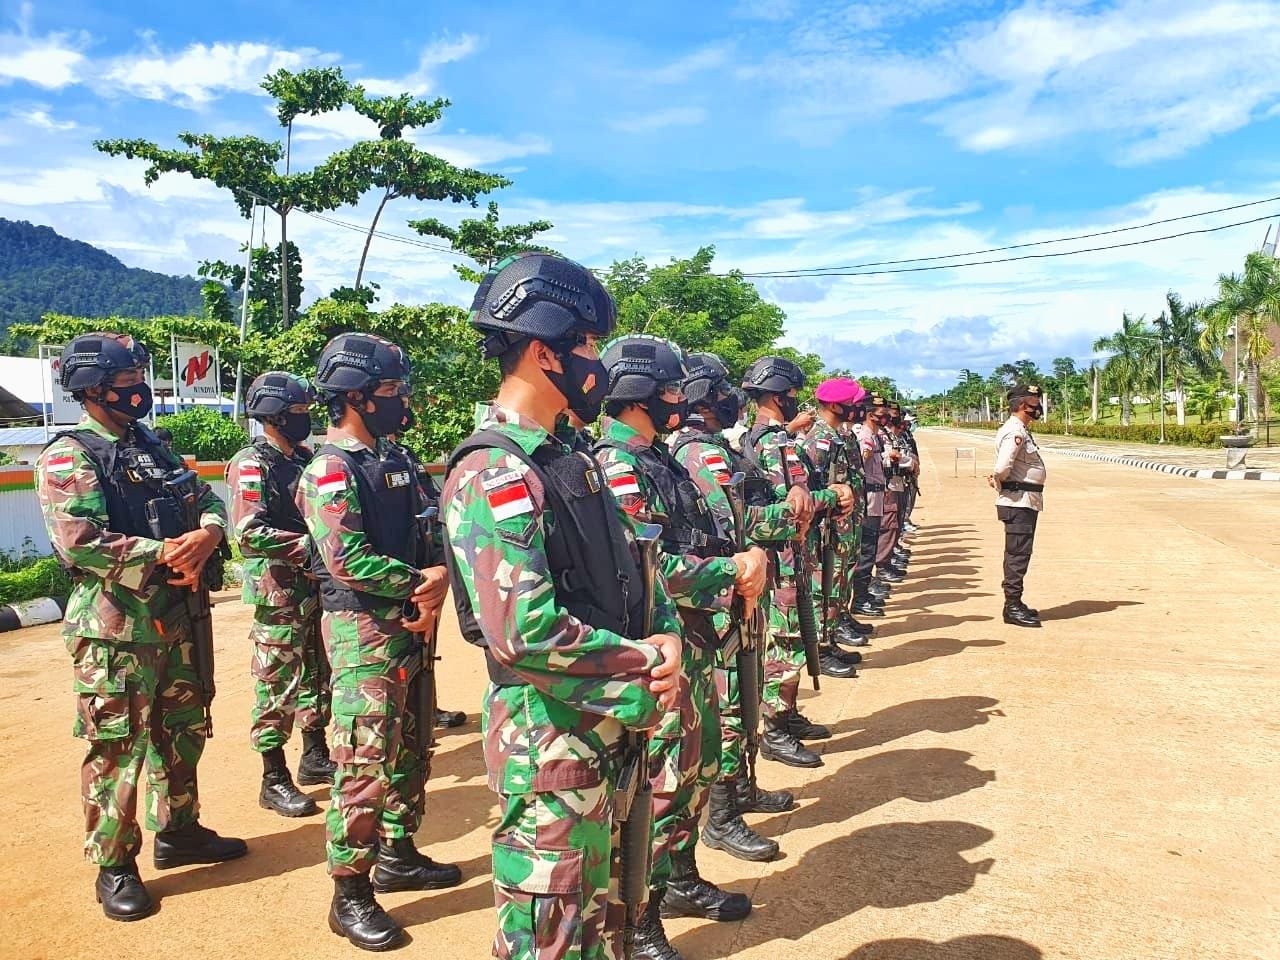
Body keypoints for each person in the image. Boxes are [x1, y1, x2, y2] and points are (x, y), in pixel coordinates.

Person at [441, 252, 683, 960]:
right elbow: (524, 628)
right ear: (544, 351)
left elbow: (633, 568)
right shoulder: (496, 470)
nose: (594, 364)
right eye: (583, 346)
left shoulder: (565, 458)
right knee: (547, 937)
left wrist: (663, 635)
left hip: (600, 732)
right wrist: (644, 658)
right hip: (547, 745)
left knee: (596, 924)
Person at [36, 333, 246, 922]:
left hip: (178, 617)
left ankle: (180, 830)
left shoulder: (154, 445)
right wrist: (165, 553)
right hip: (116, 630)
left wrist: (207, 533)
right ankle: (115, 864)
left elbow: (205, 495)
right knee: (117, 746)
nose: (139, 392)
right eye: (127, 384)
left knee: (182, 728)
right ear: (93, 390)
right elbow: (79, 544)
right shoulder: (70, 456)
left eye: (137, 380)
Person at [594, 335, 769, 957]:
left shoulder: (660, 459)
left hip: (693, 639)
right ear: (639, 393)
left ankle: (682, 878)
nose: (681, 401)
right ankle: (640, 918)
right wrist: (730, 573)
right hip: (654, 650)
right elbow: (650, 567)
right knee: (656, 784)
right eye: (670, 391)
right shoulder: (616, 466)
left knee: (695, 771)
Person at [299, 332, 461, 951]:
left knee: (413, 745)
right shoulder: (329, 470)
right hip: (365, 631)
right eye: (392, 391)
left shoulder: (396, 461)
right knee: (363, 760)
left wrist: (438, 575)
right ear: (357, 397)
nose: (402, 401)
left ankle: (399, 850)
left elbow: (433, 528)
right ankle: (351, 893)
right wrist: (418, 583)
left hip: (412, 628)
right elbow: (346, 560)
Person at [670, 352, 799, 864]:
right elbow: (741, 521)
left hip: (731, 592)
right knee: (724, 709)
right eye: (721, 388)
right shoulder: (701, 452)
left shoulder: (708, 447)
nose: (731, 398)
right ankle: (721, 817)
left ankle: (740, 789)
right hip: (719, 597)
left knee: (739, 700)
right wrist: (793, 512)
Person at [226, 372, 334, 819]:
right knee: (277, 683)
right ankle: (273, 778)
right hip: (279, 592)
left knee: (317, 675)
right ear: (272, 416)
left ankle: (314, 755)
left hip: (315, 586)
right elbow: (249, 531)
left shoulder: (305, 458)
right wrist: (315, 547)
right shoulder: (252, 463)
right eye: (297, 413)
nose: (305, 419)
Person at [740, 357, 854, 768]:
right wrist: (834, 496)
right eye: (790, 395)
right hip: (783, 559)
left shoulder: (765, 438)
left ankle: (785, 716)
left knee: (793, 639)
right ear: (774, 396)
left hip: (790, 557)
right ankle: (774, 727)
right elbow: (790, 507)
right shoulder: (775, 443)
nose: (795, 402)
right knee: (784, 646)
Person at [801, 378, 875, 667]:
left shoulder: (839, 436)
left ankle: (830, 638)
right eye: (852, 402)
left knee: (840, 584)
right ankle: (820, 649)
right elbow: (811, 490)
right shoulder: (818, 440)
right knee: (825, 587)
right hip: (826, 531)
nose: (857, 407)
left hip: (844, 526)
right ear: (834, 405)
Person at [990, 384, 1047, 628]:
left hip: (1025, 500)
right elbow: (1003, 467)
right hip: (1018, 501)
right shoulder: (1015, 431)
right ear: (1024, 405)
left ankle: (1015, 601)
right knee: (1017, 554)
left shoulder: (1021, 430)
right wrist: (999, 479)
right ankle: (1011, 605)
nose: (1039, 407)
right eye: (1035, 402)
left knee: (1021, 553)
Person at [852, 396, 890, 618]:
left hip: (874, 497)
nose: (884, 417)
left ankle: (863, 594)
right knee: (866, 549)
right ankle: (859, 598)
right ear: (870, 414)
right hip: (867, 499)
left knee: (870, 546)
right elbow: (861, 464)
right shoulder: (865, 434)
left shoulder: (873, 435)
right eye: (880, 412)